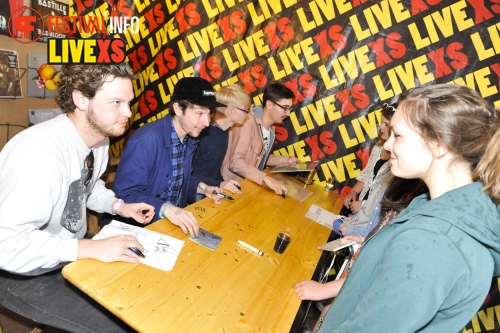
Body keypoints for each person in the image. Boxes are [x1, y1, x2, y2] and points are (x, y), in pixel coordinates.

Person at [316, 84, 500, 332]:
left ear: (438, 144)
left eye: (398, 135)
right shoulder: (431, 208)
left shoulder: (435, 242)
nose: (388, 145)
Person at [0, 63, 155, 332]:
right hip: (19, 272)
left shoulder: (100, 140)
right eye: (116, 102)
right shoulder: (39, 154)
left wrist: (119, 206)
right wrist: (90, 248)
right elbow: (7, 245)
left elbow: (86, 187)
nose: (128, 113)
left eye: (129, 102)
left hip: (68, 254)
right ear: (81, 99)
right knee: (122, 326)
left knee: (142, 297)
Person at [294, 177, 427, 332]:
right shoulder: (408, 190)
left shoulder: (422, 213)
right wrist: (364, 239)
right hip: (354, 273)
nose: (390, 150)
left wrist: (324, 289)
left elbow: (378, 273)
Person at [113, 77, 226, 238]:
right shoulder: (145, 140)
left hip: (169, 226)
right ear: (178, 109)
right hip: (136, 229)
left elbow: (178, 179)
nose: (207, 123)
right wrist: (165, 209)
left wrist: (203, 188)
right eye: (200, 113)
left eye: (209, 114)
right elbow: (124, 194)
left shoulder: (190, 138)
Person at [220, 81, 301, 196]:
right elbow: (235, 162)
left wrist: (286, 160)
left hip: (248, 186)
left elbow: (259, 157)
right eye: (285, 108)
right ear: (269, 105)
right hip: (230, 187)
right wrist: (265, 178)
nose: (288, 114)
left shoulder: (271, 129)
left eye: (290, 109)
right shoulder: (246, 122)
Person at [333, 102, 395, 237]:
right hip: (358, 213)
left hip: (371, 222)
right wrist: (353, 192)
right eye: (381, 122)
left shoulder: (398, 162)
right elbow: (367, 176)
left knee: (336, 226)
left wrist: (364, 205)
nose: (381, 127)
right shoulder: (378, 149)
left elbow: (386, 199)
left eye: (386, 124)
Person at [188, 84, 250, 203]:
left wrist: (225, 183)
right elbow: (188, 173)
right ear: (230, 110)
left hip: (209, 193)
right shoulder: (202, 133)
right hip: (193, 195)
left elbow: (212, 169)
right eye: (245, 110)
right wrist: (219, 184)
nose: (247, 115)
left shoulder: (223, 131)